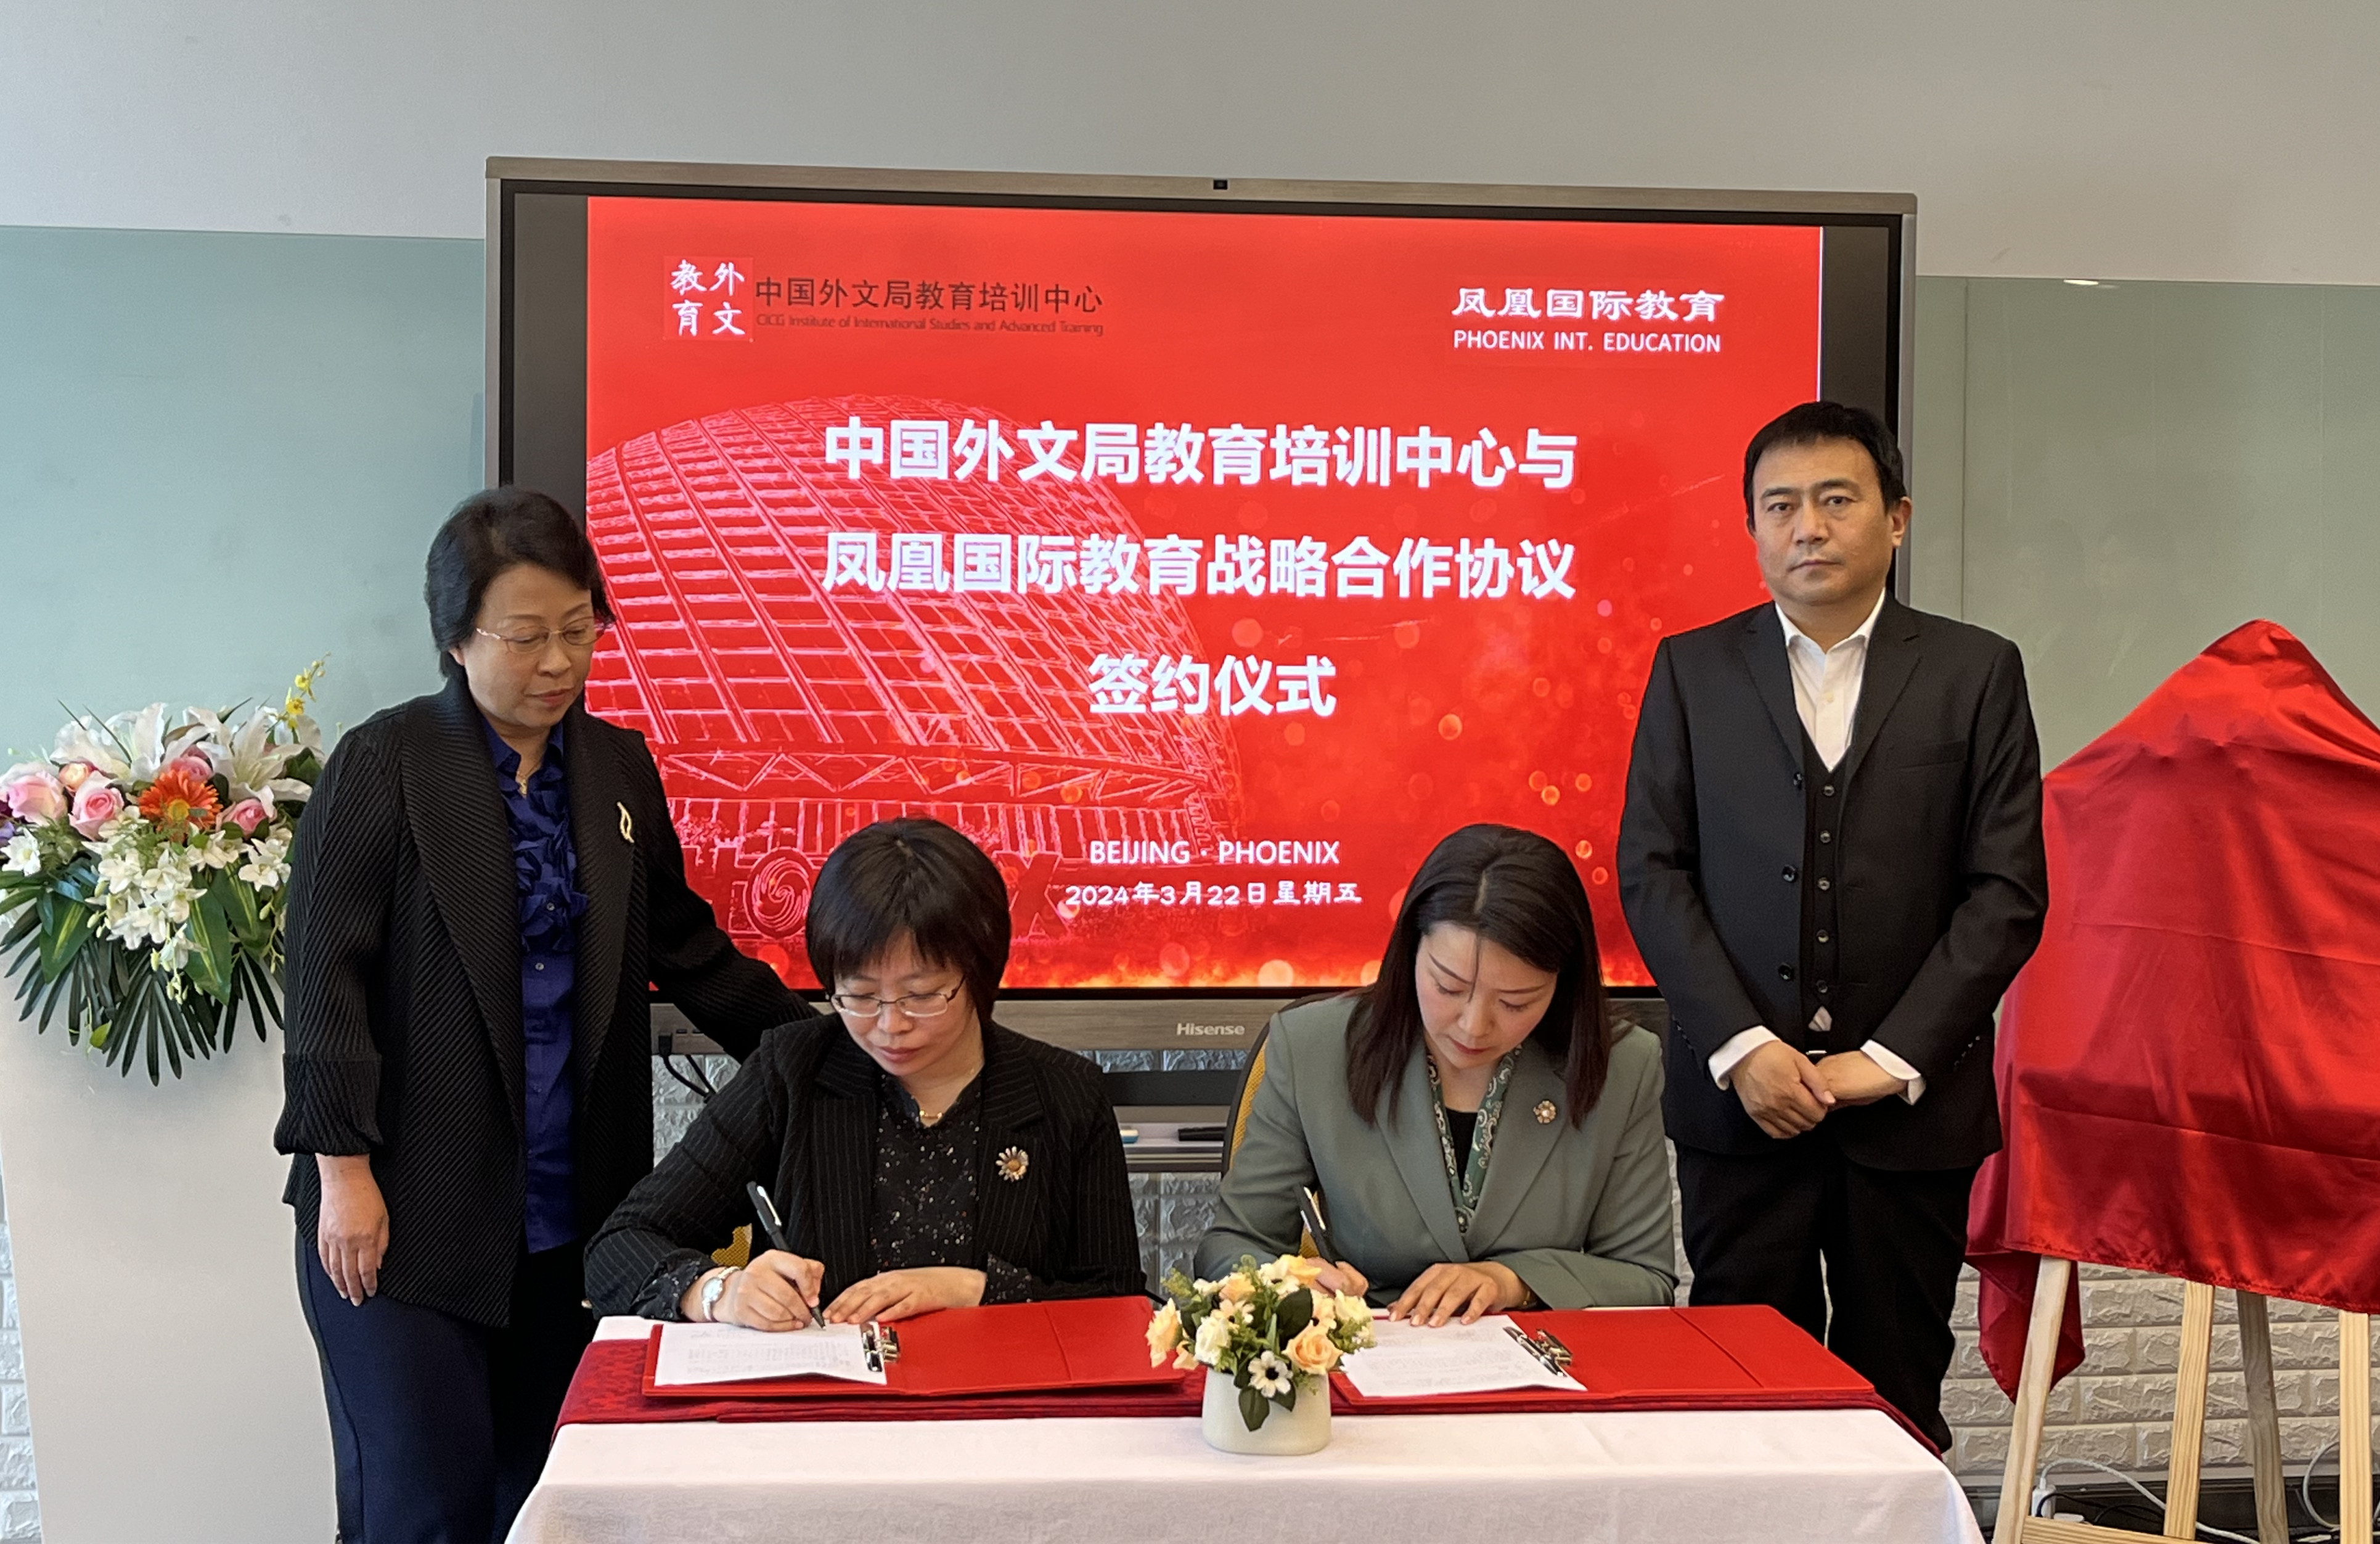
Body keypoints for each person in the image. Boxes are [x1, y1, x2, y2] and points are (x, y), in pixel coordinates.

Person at [274, 488, 814, 1544]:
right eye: (526, 637)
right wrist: (343, 1174)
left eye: (580, 628)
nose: (560, 662)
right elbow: (325, 980)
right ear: (455, 638)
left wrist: (829, 1052)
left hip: (571, 1218)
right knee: (422, 1509)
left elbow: (688, 949)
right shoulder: (386, 765)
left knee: (548, 1499)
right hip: (404, 1215)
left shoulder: (615, 768)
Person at [1616, 400, 2048, 1448]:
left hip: (1909, 1118)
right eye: (1780, 506)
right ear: (1752, 528)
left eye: (1835, 500)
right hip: (1741, 1110)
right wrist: (1743, 1046)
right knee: (1738, 1398)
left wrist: (1887, 1060)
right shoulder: (1691, 670)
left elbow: (2005, 891)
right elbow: (1652, 870)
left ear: (1896, 518)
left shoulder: (1974, 670)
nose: (1806, 527)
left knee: (1895, 1395)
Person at [587, 817, 1145, 1329]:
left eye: (922, 995)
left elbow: (1118, 1302)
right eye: (858, 996)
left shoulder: (1065, 1093)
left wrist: (975, 1289)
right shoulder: (793, 1070)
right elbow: (620, 1246)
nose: (889, 1026)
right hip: (828, 1397)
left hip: (1003, 1399)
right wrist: (718, 1291)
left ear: (979, 973)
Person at [1197, 824, 1676, 1323]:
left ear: (1562, 984)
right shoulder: (1313, 1048)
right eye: (1448, 988)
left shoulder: (1623, 1064)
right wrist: (1288, 1280)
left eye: (1515, 1003)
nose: (1473, 1026)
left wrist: (1512, 1282)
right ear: (1410, 952)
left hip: (1542, 1354)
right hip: (1371, 1344)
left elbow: (1644, 1278)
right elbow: (1232, 1245)